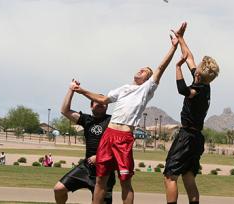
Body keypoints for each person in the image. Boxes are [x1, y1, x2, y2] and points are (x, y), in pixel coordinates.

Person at [71, 23, 182, 204]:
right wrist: (81, 90)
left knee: (125, 181)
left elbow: (161, 68)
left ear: (147, 79)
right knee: (101, 180)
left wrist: (173, 46)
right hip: (109, 135)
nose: (140, 70)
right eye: (141, 68)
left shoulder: (147, 89)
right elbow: (103, 100)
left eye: (145, 71)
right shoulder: (123, 89)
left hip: (124, 137)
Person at [163, 22, 220, 204]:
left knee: (170, 175)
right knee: (188, 176)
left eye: (197, 70)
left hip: (187, 136)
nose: (194, 70)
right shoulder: (205, 83)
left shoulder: (198, 88)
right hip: (197, 139)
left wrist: (177, 67)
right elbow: (190, 57)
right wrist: (180, 38)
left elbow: (183, 90)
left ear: (199, 75)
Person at [53, 83, 116, 204]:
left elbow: (118, 145)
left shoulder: (112, 121)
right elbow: (65, 110)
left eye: (103, 103)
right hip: (87, 167)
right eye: (96, 101)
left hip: (105, 170)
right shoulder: (86, 120)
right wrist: (71, 89)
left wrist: (99, 157)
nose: (100, 104)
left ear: (107, 107)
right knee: (59, 189)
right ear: (91, 106)